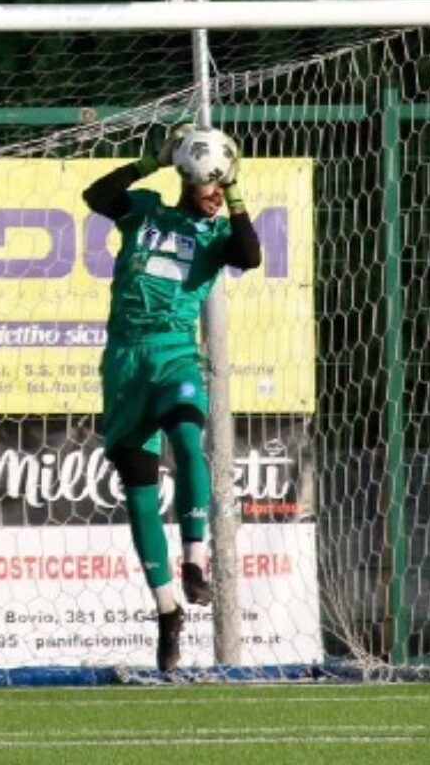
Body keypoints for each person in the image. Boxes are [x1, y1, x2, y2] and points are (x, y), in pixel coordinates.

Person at [80, 125, 262, 671]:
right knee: (136, 484)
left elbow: (250, 255)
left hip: (175, 352)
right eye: (207, 179)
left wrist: (233, 191)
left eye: (221, 180)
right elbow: (96, 197)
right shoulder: (146, 210)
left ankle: (196, 561)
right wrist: (150, 160)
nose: (213, 188)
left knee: (187, 435)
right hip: (124, 360)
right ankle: (167, 610)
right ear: (187, 173)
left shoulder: (217, 236)